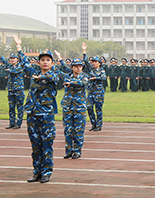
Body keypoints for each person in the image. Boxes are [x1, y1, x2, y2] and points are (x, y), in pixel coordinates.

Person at [16, 36, 62, 183]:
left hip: (46, 115)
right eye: (42, 60)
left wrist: (39, 77)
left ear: (52, 63)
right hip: (32, 114)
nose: (45, 62)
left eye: (48, 60)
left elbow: (52, 78)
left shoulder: (54, 74)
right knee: (35, 145)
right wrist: (19, 47)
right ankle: (37, 172)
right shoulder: (35, 72)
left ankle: (46, 172)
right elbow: (24, 63)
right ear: (38, 62)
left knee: (46, 144)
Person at [58, 55, 89, 159]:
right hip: (68, 107)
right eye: (76, 66)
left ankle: (77, 151)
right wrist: (59, 59)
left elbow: (82, 83)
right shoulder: (67, 76)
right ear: (72, 68)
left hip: (79, 108)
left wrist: (71, 83)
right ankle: (68, 150)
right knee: (68, 130)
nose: (78, 68)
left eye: (80, 66)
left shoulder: (84, 76)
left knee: (78, 130)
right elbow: (56, 71)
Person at [83, 43, 107, 131]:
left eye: (95, 62)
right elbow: (85, 61)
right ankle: (93, 123)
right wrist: (84, 51)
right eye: (92, 62)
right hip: (91, 92)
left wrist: (95, 78)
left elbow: (103, 77)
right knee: (89, 107)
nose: (93, 63)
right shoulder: (91, 69)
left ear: (99, 63)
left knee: (98, 109)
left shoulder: (101, 70)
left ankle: (99, 125)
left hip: (98, 92)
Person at [0, 47, 25, 129]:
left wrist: (9, 70)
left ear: (17, 59)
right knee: (11, 107)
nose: (12, 60)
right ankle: (12, 122)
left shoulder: (20, 66)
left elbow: (15, 71)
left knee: (19, 107)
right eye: (11, 58)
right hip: (11, 90)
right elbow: (2, 59)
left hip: (19, 90)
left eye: (14, 58)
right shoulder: (9, 65)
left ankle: (18, 123)